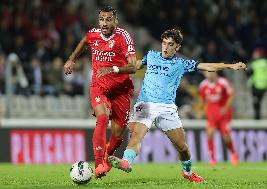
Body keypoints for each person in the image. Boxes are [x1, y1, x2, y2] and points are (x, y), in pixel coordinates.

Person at [108, 29, 246, 182]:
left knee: (183, 147)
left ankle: (187, 172)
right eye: (164, 43)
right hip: (145, 103)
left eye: (170, 44)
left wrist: (230, 66)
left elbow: (207, 66)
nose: (165, 47)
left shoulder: (181, 63)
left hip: (167, 108)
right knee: (136, 135)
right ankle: (126, 162)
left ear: (177, 47)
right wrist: (117, 69)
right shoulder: (152, 56)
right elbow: (137, 65)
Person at [63, 6, 137, 178]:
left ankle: (106, 158)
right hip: (99, 87)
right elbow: (84, 41)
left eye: (108, 19)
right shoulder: (93, 34)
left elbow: (133, 66)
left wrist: (113, 69)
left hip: (121, 91)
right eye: (102, 19)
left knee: (117, 136)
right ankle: (99, 164)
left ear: (115, 21)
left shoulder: (123, 37)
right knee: (102, 117)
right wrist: (71, 59)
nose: (104, 23)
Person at [198, 71, 238, 166]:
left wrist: (225, 107)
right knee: (210, 133)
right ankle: (212, 158)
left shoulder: (223, 82)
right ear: (205, 74)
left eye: (212, 72)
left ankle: (233, 153)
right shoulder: (203, 85)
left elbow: (231, 95)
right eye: (208, 72)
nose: (210, 74)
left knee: (226, 136)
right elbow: (202, 99)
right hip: (211, 113)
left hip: (224, 114)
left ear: (216, 73)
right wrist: (200, 110)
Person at [247, 48, 267, 119]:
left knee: (256, 102)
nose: (253, 54)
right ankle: (258, 117)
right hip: (264, 85)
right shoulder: (266, 62)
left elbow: (249, 73)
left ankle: (257, 118)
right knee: (258, 102)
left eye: (255, 53)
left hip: (256, 85)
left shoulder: (255, 63)